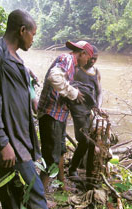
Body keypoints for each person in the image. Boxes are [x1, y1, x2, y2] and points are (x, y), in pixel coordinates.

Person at [0, 9, 48, 208]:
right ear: (23, 30)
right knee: (35, 196)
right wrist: (2, 142)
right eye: (33, 34)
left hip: (21, 139)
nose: (33, 40)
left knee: (12, 196)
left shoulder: (15, 58)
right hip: (11, 142)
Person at [37, 40, 92, 191]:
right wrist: (73, 92)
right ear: (82, 53)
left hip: (58, 116)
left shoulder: (72, 65)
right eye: (88, 58)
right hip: (51, 115)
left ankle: (61, 185)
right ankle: (37, 197)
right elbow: (54, 78)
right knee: (51, 158)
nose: (88, 61)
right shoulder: (67, 59)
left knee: (60, 151)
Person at [68, 45, 104, 179]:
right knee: (84, 140)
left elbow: (99, 92)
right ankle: (72, 169)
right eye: (91, 58)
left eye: (95, 59)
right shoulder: (77, 69)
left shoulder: (96, 71)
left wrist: (99, 106)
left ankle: (89, 172)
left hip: (91, 110)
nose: (93, 61)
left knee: (93, 141)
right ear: (86, 56)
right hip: (78, 110)